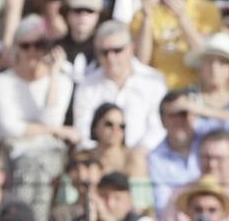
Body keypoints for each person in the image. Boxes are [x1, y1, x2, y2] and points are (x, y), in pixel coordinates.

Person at [0, 15, 79, 221]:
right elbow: (9, 128)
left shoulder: (63, 81)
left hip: (50, 154)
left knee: (33, 170)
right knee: (30, 170)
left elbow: (50, 120)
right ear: (16, 48)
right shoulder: (2, 82)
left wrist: (55, 75)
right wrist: (58, 131)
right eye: (25, 45)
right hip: (13, 153)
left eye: (39, 45)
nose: (32, 52)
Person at [71, 21, 168, 150]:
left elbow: (158, 128)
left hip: (144, 158)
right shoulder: (87, 85)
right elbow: (82, 132)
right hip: (99, 158)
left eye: (117, 50)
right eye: (104, 52)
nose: (111, 58)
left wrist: (137, 154)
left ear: (130, 48)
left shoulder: (154, 81)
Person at [130, 0, 221, 90]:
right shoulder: (143, 12)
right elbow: (141, 61)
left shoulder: (206, 8)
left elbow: (206, 55)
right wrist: (147, 18)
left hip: (196, 89)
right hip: (157, 89)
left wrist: (182, 17)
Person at [149, 88, 204, 218]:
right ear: (162, 121)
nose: (179, 121)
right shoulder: (154, 158)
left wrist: (202, 110)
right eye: (173, 115)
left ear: (194, 115)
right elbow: (162, 207)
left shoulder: (209, 144)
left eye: (183, 113)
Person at [55, 0, 101, 81]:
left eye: (89, 11)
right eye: (77, 11)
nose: (83, 16)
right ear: (67, 14)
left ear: (97, 15)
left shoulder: (105, 48)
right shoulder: (56, 48)